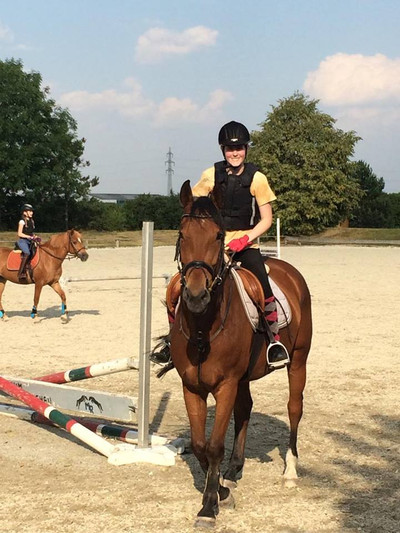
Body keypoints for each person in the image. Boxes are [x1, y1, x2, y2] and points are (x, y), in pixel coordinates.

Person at [152, 121, 290, 369]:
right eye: (229, 149)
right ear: (223, 150)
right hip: (214, 246)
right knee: (176, 287)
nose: (234, 153)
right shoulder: (210, 175)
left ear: (246, 149)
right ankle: (172, 342)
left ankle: (274, 341)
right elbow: (196, 205)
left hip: (246, 246)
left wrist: (245, 239)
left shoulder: (257, 179)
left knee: (262, 286)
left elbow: (267, 219)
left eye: (239, 148)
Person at [16, 203, 38, 280]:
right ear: (24, 212)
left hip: (30, 241)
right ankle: (21, 272)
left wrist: (34, 237)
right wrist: (29, 237)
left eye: (32, 211)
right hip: (23, 241)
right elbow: (19, 233)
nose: (31, 213)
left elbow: (31, 232)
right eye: (30, 211)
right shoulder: (22, 221)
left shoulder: (32, 221)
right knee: (27, 253)